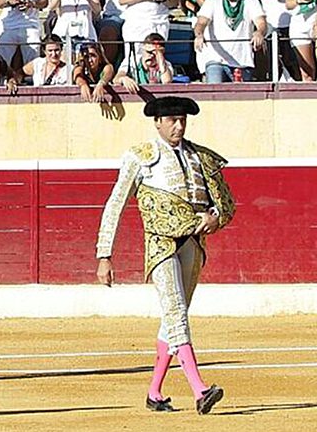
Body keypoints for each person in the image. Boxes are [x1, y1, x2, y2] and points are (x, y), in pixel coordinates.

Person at [95, 95, 234, 415]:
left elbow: (225, 202)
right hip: (161, 245)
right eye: (172, 120)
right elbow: (115, 204)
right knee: (177, 314)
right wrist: (105, 254)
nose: (179, 125)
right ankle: (200, 390)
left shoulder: (200, 157)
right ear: (157, 122)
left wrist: (215, 217)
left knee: (174, 317)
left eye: (182, 120)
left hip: (194, 243)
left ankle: (155, 392)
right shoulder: (139, 156)